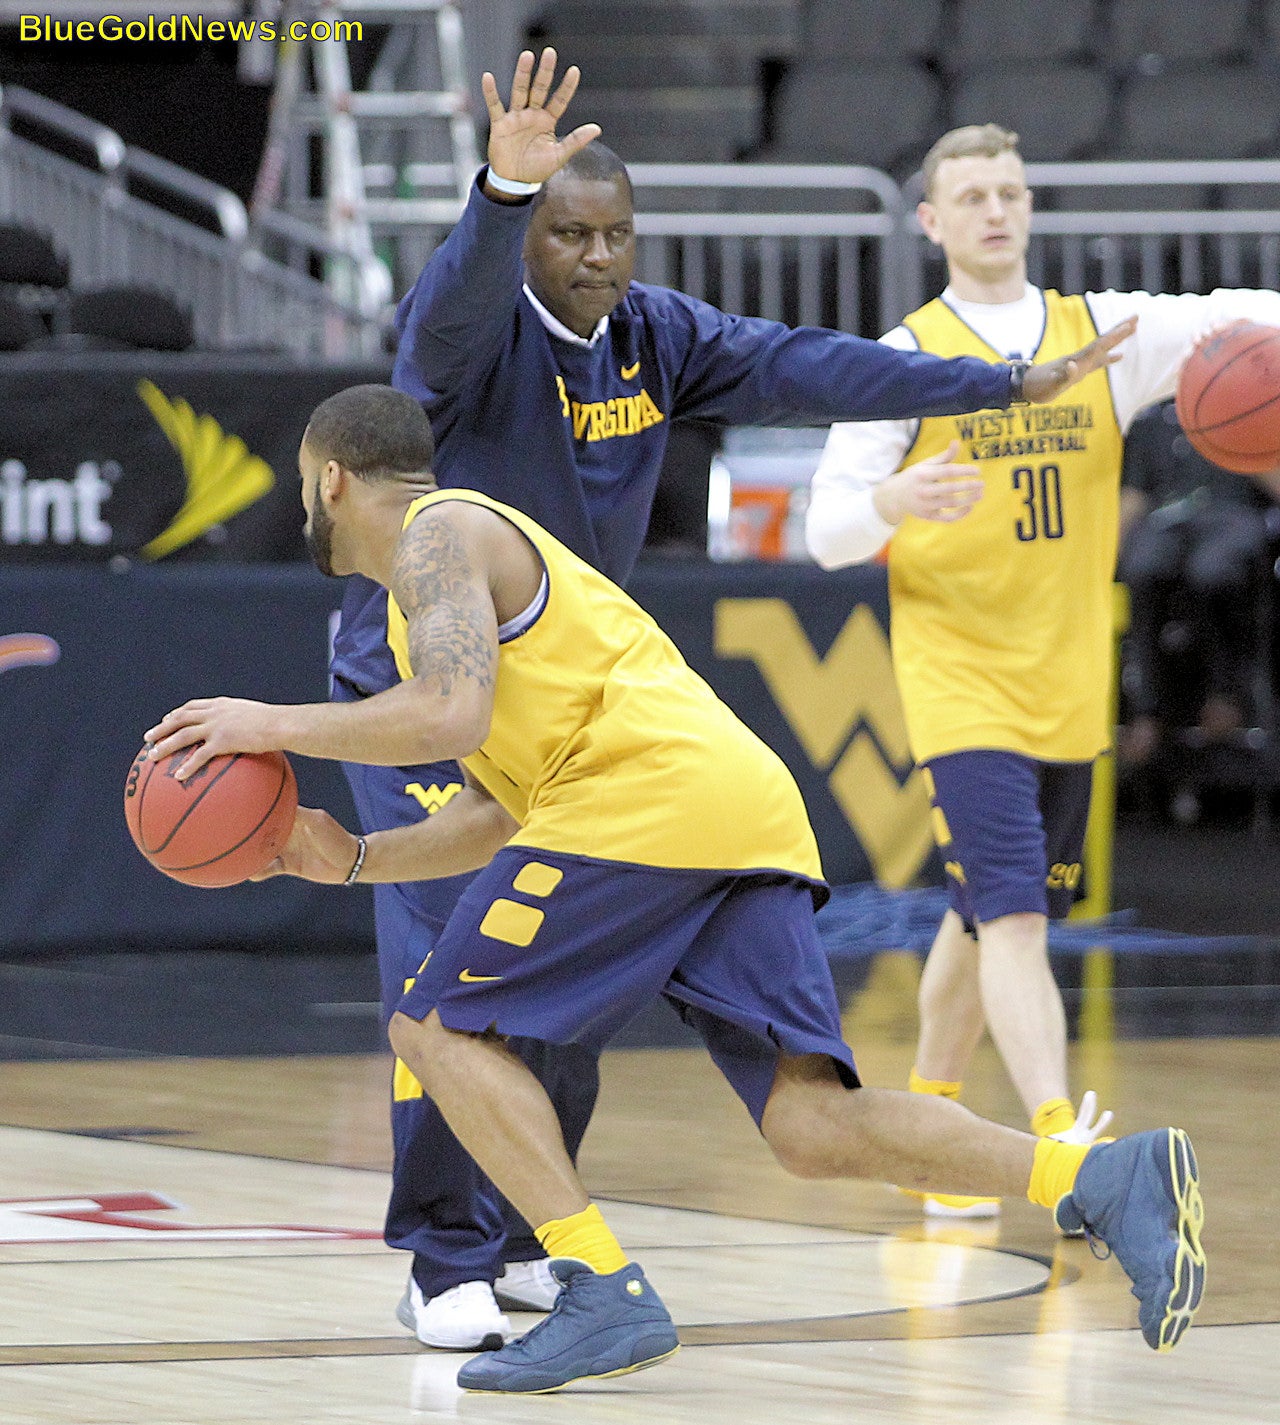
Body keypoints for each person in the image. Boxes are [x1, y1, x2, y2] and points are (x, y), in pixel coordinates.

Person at [145, 384, 1205, 1393]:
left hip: (642, 800)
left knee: (433, 1029)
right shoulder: (442, 584)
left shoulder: (436, 535)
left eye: (299, 487)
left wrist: (266, 722)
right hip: (730, 809)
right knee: (808, 1126)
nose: (301, 507)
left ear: (331, 479)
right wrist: (358, 859)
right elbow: (498, 809)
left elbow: (449, 715)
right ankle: (1097, 1179)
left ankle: (597, 1282)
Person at [333, 52, 1137, 1342]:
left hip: (574, 700)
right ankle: (442, 1265)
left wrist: (995, 386)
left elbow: (818, 367)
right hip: (426, 679)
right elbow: (434, 318)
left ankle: (538, 1237)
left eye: (613, 235)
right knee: (450, 961)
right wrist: (495, 194)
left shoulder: (655, 338)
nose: (595, 258)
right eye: (566, 234)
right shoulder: (474, 340)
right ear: (527, 239)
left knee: (563, 974)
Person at [805, 122, 1280, 1219]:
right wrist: (890, 502)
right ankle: (1064, 1155)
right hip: (958, 683)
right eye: (968, 194)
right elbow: (823, 528)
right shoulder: (905, 358)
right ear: (928, 222)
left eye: (1008, 190)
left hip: (1068, 684)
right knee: (1014, 920)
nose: (992, 209)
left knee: (979, 918)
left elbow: (1237, 316)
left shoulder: (1097, 339)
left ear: (1027, 207)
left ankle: (928, 1125)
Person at [1117, 397, 1280, 770]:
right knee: (1140, 566)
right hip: (1167, 518)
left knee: (1212, 571)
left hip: (1231, 514)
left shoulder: (1248, 400)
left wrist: (1243, 437)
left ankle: (1227, 697)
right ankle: (1147, 711)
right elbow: (1135, 496)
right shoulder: (1153, 415)